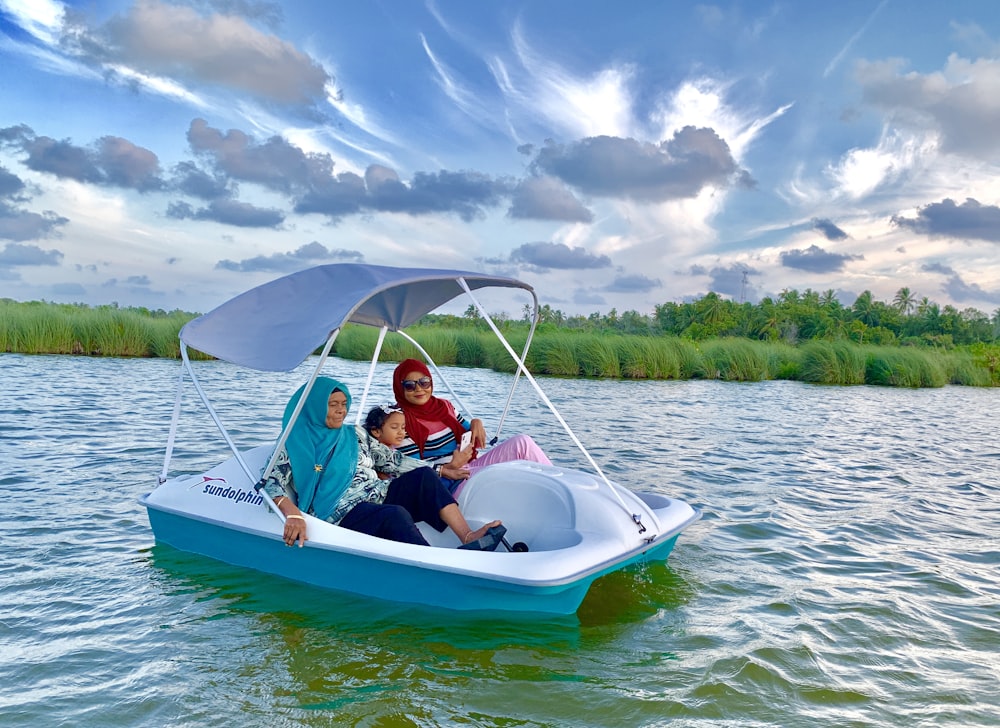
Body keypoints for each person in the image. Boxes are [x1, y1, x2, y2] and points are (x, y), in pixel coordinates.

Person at [261, 377, 504, 551]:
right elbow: (270, 482)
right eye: (333, 404)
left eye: (344, 404)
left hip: (377, 494)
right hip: (338, 512)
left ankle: (468, 535)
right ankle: (432, 562)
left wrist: (441, 470)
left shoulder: (353, 433)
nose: (341, 411)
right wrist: (293, 515)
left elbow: (392, 460)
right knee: (394, 515)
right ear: (314, 406)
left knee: (424, 478)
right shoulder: (294, 443)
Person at [392, 358, 551, 492]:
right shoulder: (399, 420)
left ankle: (560, 483)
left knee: (522, 442)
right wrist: (452, 466)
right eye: (410, 385)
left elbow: (468, 430)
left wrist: (476, 422)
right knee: (504, 475)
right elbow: (411, 469)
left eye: (424, 382)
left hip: (470, 465)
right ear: (400, 388)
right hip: (447, 482)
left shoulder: (444, 406)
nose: (419, 389)